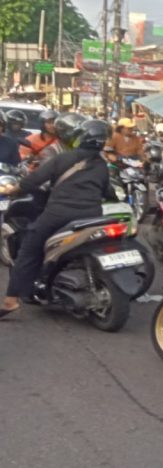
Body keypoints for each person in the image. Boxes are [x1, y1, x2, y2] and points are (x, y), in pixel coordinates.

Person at [0, 120, 112, 319]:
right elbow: (106, 191)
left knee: (29, 249)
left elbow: (33, 180)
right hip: (93, 215)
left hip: (58, 215)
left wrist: (12, 190)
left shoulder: (64, 158)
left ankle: (11, 301)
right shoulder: (102, 164)